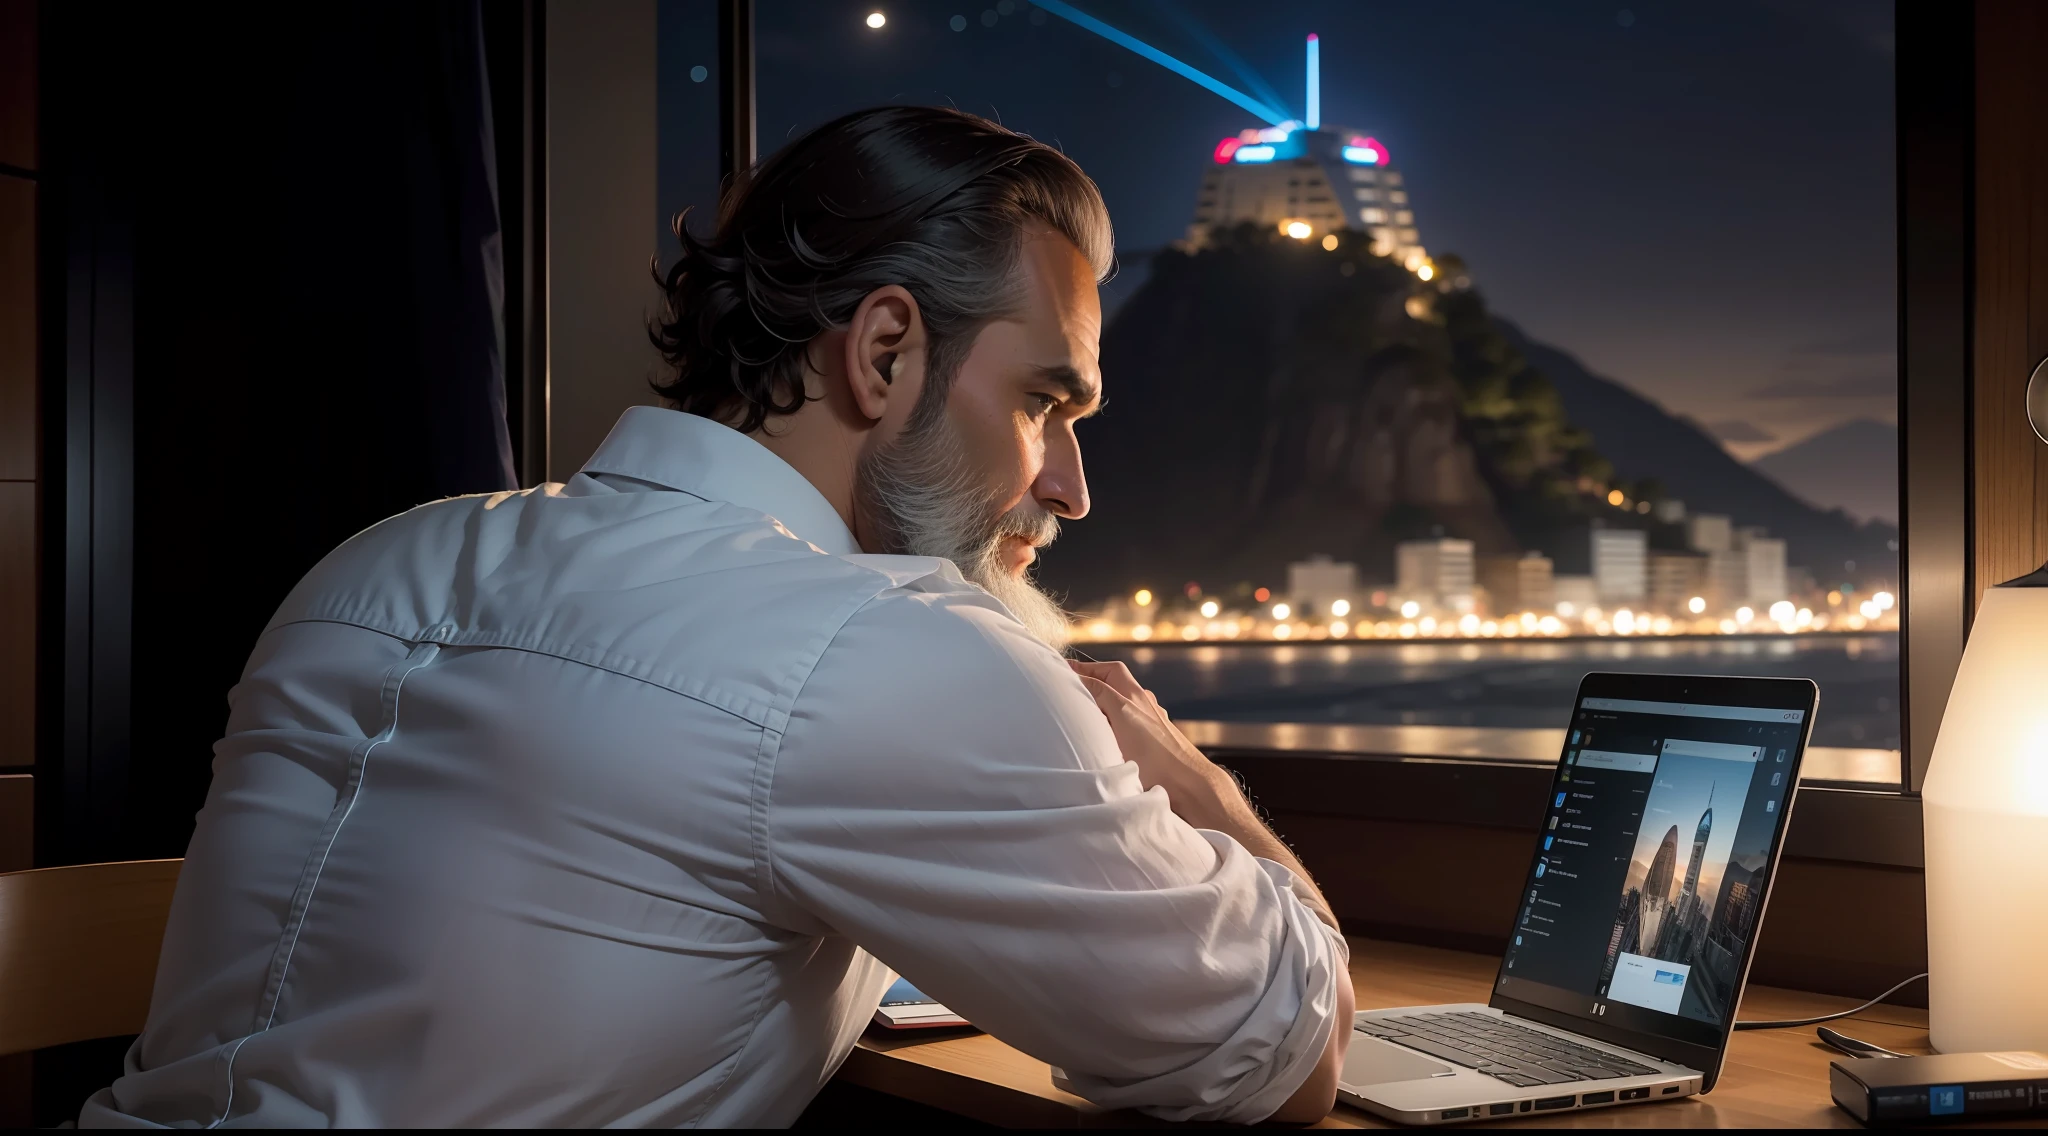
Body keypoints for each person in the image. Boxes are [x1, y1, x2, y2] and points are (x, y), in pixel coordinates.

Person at [84, 106, 1353, 1128]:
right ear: (887, 351)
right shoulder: (881, 648)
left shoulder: (376, 558)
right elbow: (1280, 1057)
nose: (1068, 488)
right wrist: (1193, 784)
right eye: (1043, 406)